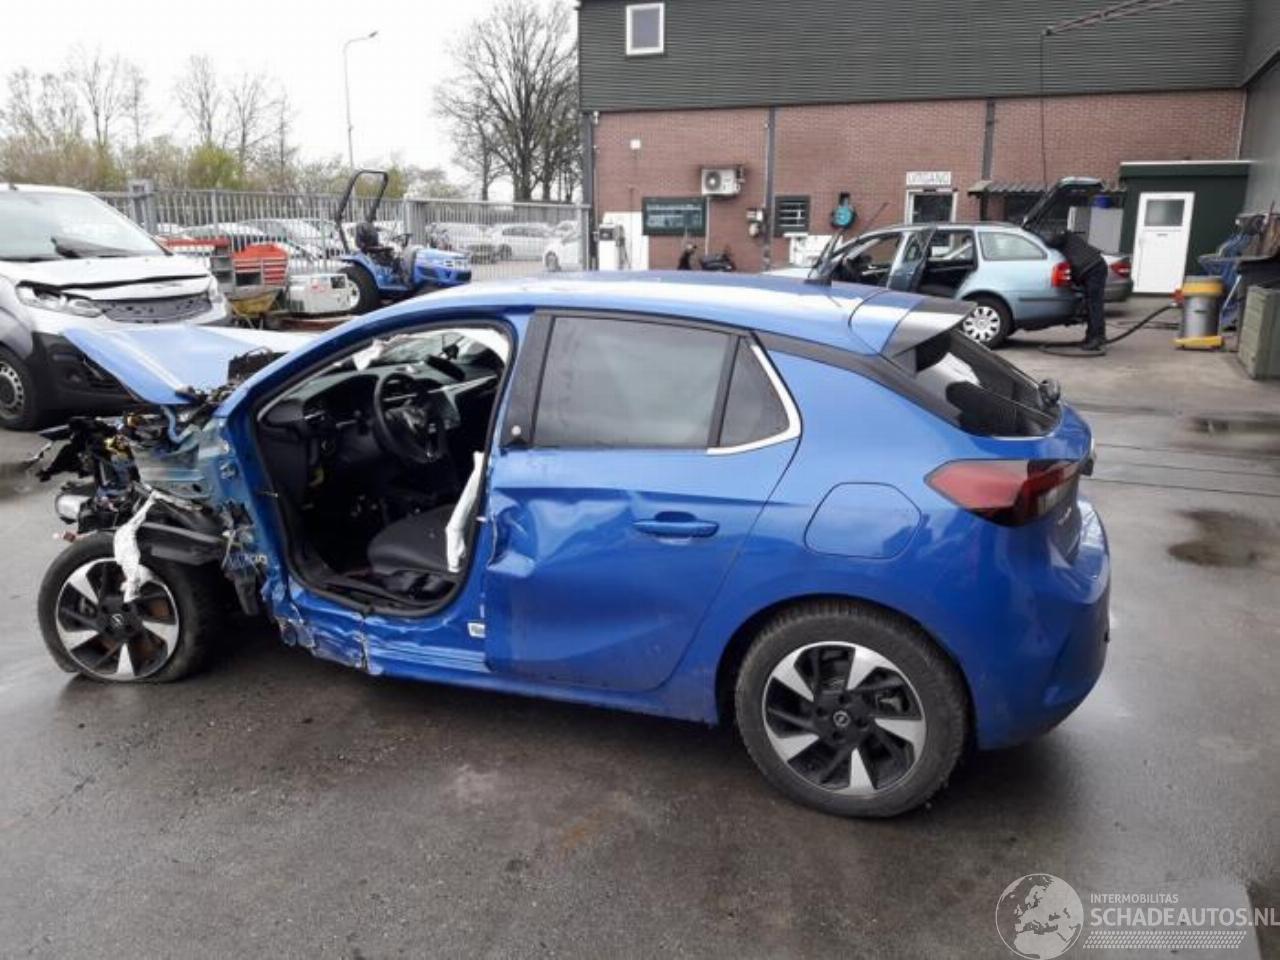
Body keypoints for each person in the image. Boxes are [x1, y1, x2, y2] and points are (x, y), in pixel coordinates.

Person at [1044, 228, 1107, 352]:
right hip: (1093, 268)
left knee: (1094, 305)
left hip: (1094, 269)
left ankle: (1097, 338)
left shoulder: (1063, 236)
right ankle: (1092, 336)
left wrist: (1044, 242)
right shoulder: (1067, 236)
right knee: (1092, 305)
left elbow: (1052, 241)